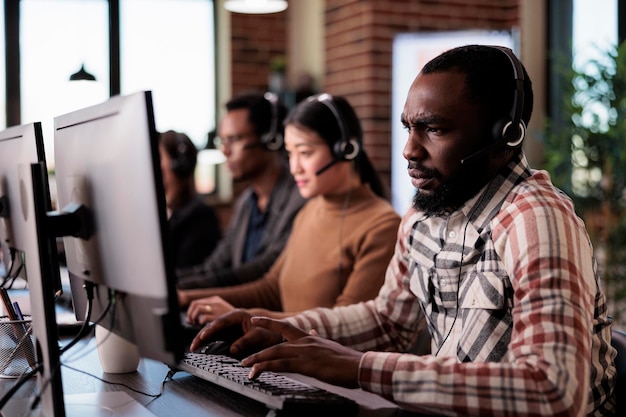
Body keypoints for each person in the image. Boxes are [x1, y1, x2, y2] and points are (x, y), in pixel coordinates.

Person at [190, 45, 617, 416]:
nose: (409, 150)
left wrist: (358, 368)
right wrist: (284, 328)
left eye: (434, 128)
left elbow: (555, 391)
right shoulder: (423, 214)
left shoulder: (536, 219)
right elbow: (388, 320)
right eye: (408, 128)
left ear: (503, 136)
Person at [182, 94, 401, 322]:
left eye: (305, 153)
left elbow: (345, 324)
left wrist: (248, 318)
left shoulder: (382, 227)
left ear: (346, 149)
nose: (294, 167)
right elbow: (270, 288)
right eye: (290, 153)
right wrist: (188, 297)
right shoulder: (309, 210)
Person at [176, 92, 306, 289]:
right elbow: (213, 267)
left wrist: (184, 291)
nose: (225, 151)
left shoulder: (299, 197)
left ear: (270, 140)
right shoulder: (246, 203)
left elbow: (264, 269)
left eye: (234, 140)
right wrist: (166, 282)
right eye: (223, 141)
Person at [158, 130, 222, 269]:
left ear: (180, 168)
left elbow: (183, 271)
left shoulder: (199, 217)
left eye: (160, 160)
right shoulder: (165, 214)